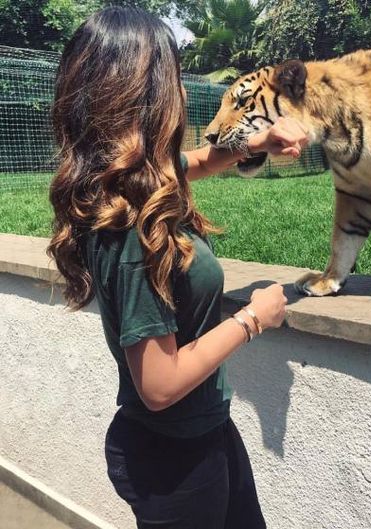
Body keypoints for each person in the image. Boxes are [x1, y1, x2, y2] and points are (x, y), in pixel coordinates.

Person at [47, 6, 309, 529]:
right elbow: (160, 384)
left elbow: (193, 163)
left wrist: (250, 145)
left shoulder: (119, 182)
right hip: (175, 461)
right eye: (172, 74)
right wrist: (254, 318)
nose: (183, 92)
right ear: (145, 93)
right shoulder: (128, 230)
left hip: (202, 437)